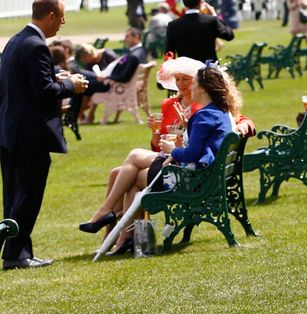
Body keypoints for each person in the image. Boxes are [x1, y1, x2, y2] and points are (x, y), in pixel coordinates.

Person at [78, 64, 241, 253]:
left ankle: (110, 220)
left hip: (192, 179)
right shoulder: (219, 111)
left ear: (203, 88)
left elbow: (191, 154)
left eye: (194, 83)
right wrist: (188, 127)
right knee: (132, 168)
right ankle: (122, 237)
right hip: (202, 175)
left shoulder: (205, 115)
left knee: (133, 163)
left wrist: (173, 150)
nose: (191, 87)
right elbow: (202, 147)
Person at [0, 0, 89, 269]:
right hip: (31, 135)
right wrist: (70, 85)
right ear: (50, 16)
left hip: (10, 130)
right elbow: (42, 92)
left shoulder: (16, 41)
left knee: (14, 195)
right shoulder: (38, 46)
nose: (62, 23)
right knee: (28, 195)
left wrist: (54, 78)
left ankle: (18, 250)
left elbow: (25, 84)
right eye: (61, 17)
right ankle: (16, 254)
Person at [165, 0, 235, 63]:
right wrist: (215, 15)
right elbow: (229, 35)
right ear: (201, 2)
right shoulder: (210, 21)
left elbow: (169, 54)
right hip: (209, 71)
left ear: (184, 3)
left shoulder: (173, 25)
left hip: (185, 71)